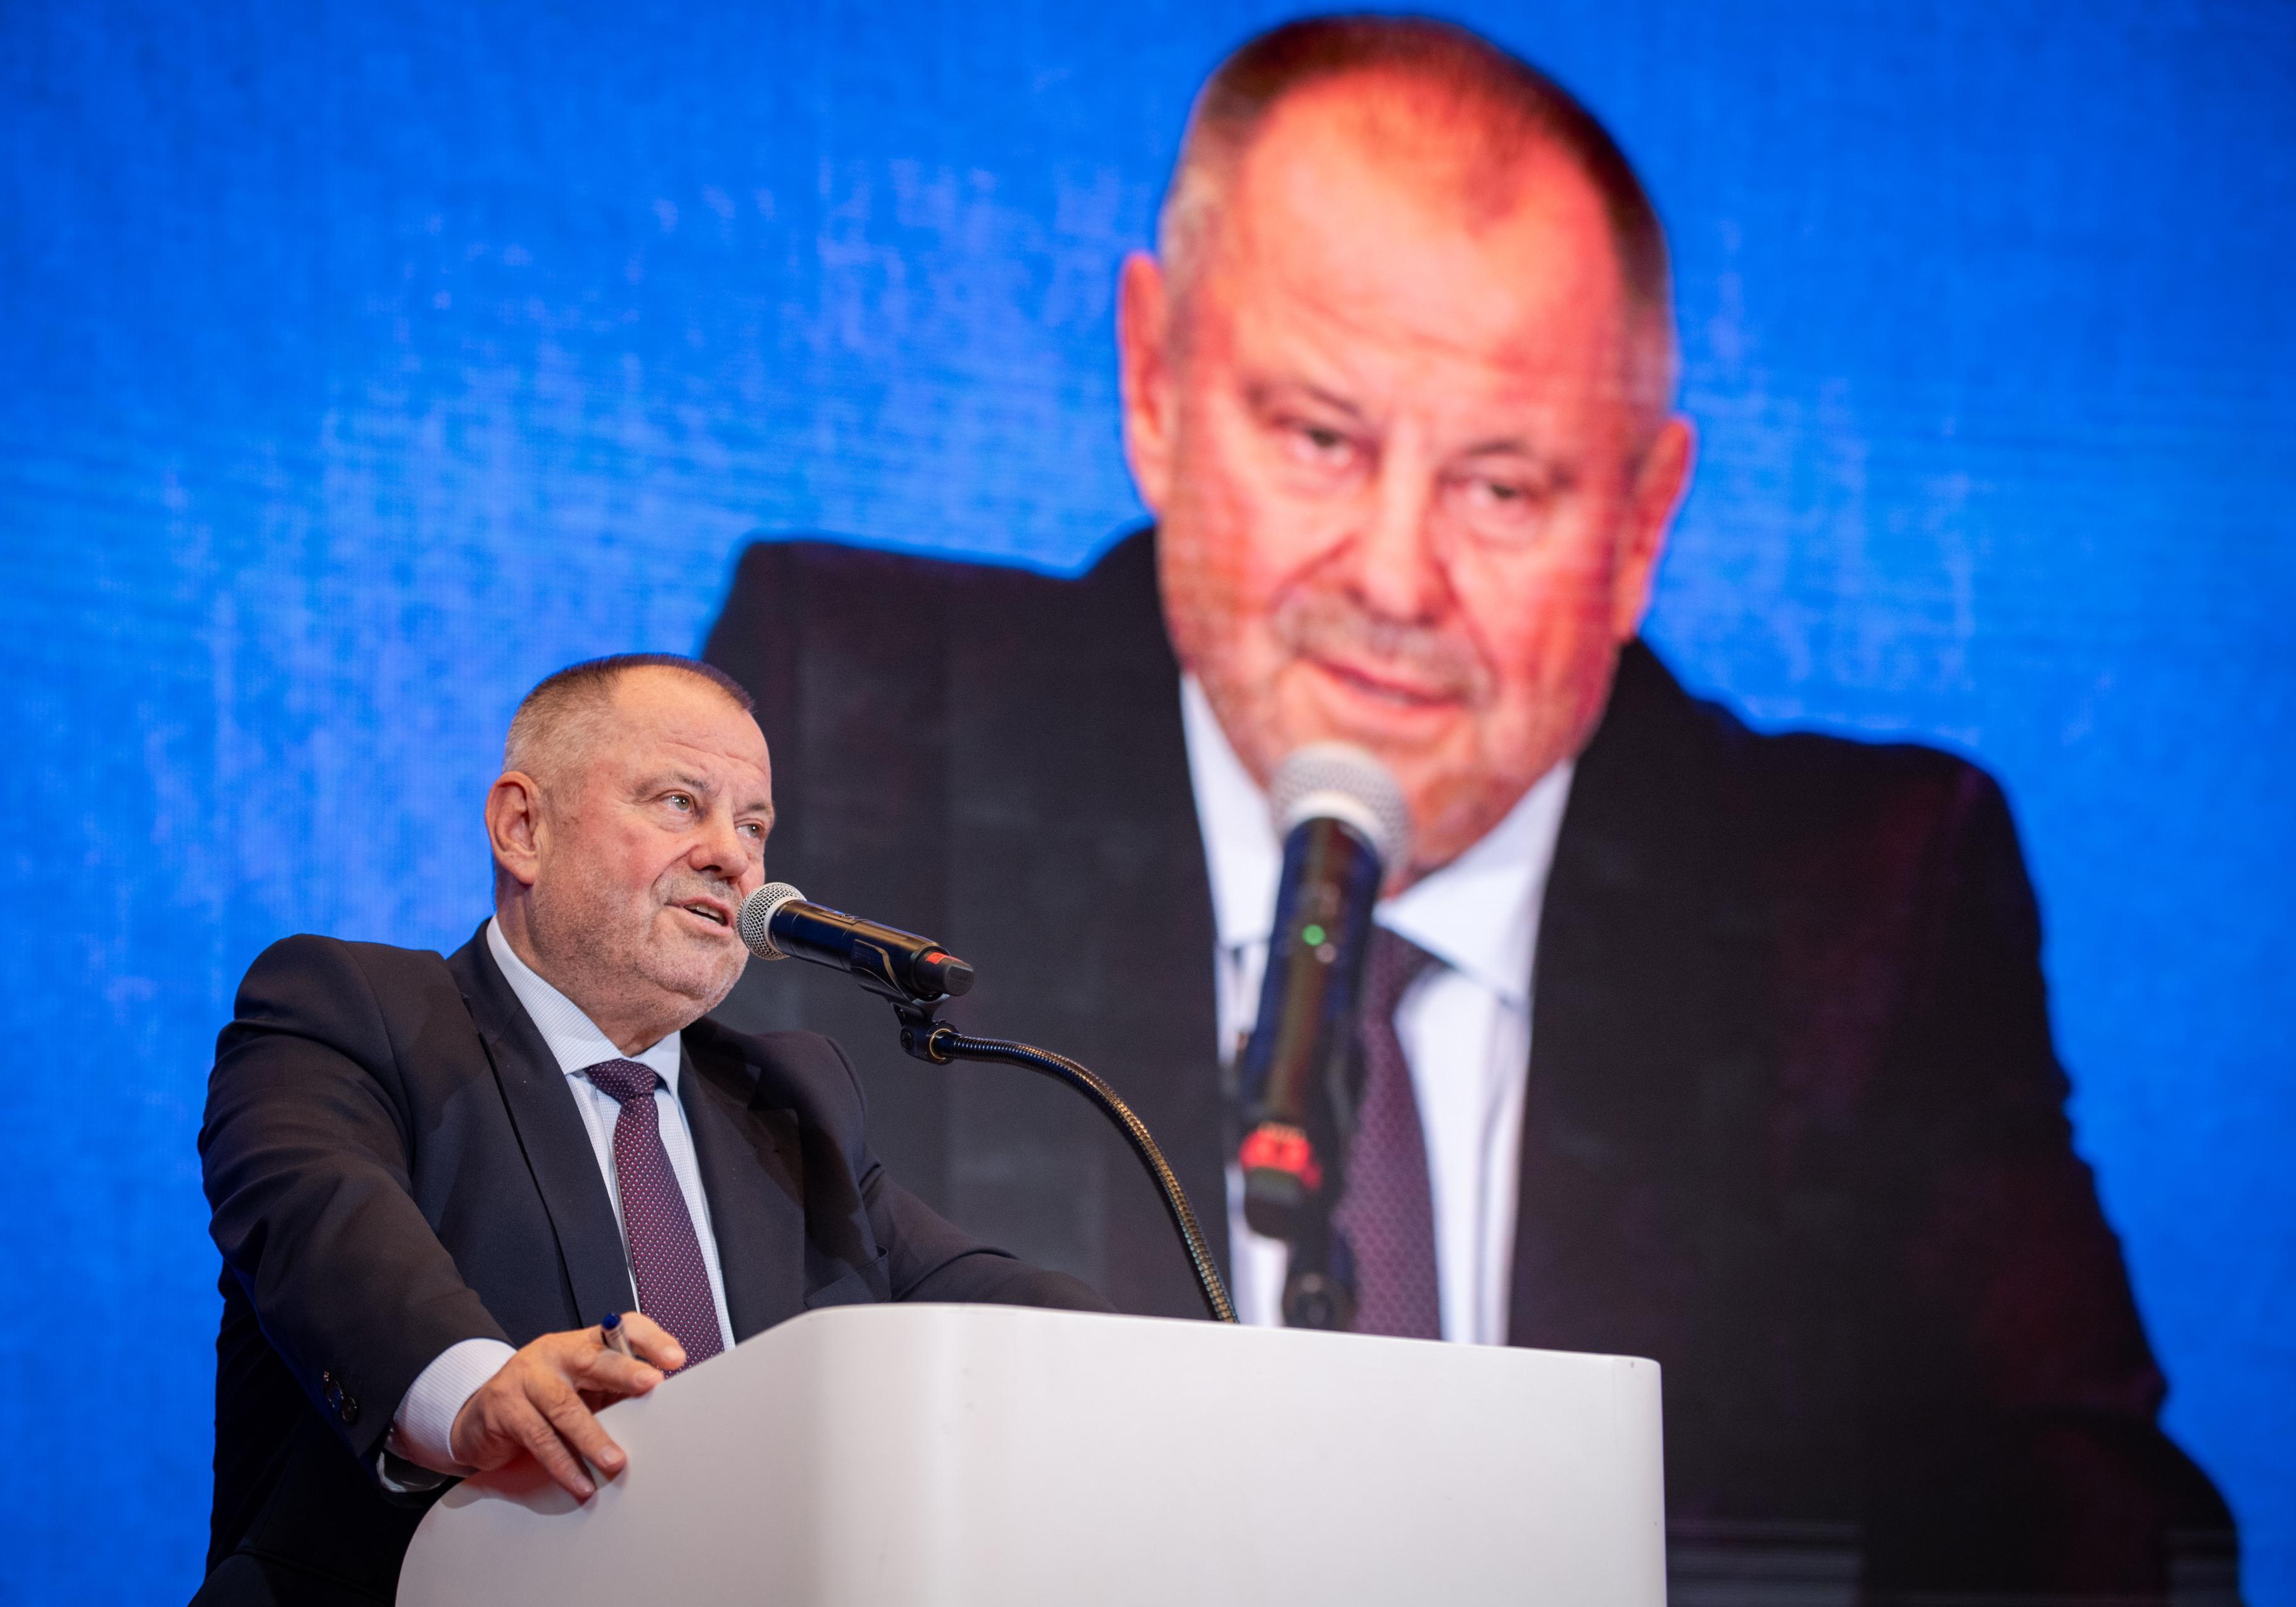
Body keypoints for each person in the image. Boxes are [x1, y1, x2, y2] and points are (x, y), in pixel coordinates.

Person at [703, 14, 2236, 1594]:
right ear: (1154, 385)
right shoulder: (852, 727)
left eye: (1502, 487)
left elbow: (2091, 1528)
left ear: (1641, 524)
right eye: (1320, 437)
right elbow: (667, 1349)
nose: (1393, 578)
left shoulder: (1869, 896)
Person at [195, 654, 1106, 1606]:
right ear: (523, 828)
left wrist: (1164, 1368)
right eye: (681, 803)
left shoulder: (789, 1099)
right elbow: (322, 1227)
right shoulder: (352, 1009)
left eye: (753, 826)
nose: (734, 858)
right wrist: (476, 1393)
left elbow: (984, 1297)